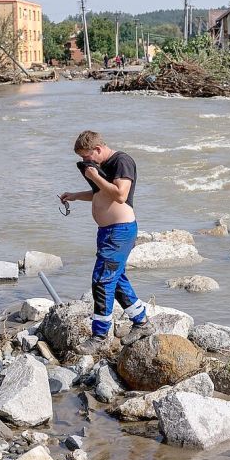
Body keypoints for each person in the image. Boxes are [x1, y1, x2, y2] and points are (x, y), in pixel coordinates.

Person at [59, 131, 154, 354]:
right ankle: (142, 323)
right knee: (116, 279)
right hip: (107, 232)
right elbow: (101, 194)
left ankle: (99, 336)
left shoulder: (122, 161)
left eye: (87, 157)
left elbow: (120, 195)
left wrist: (94, 177)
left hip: (120, 232)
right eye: (82, 159)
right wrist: (75, 195)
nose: (85, 162)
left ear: (98, 150)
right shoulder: (100, 167)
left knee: (101, 281)